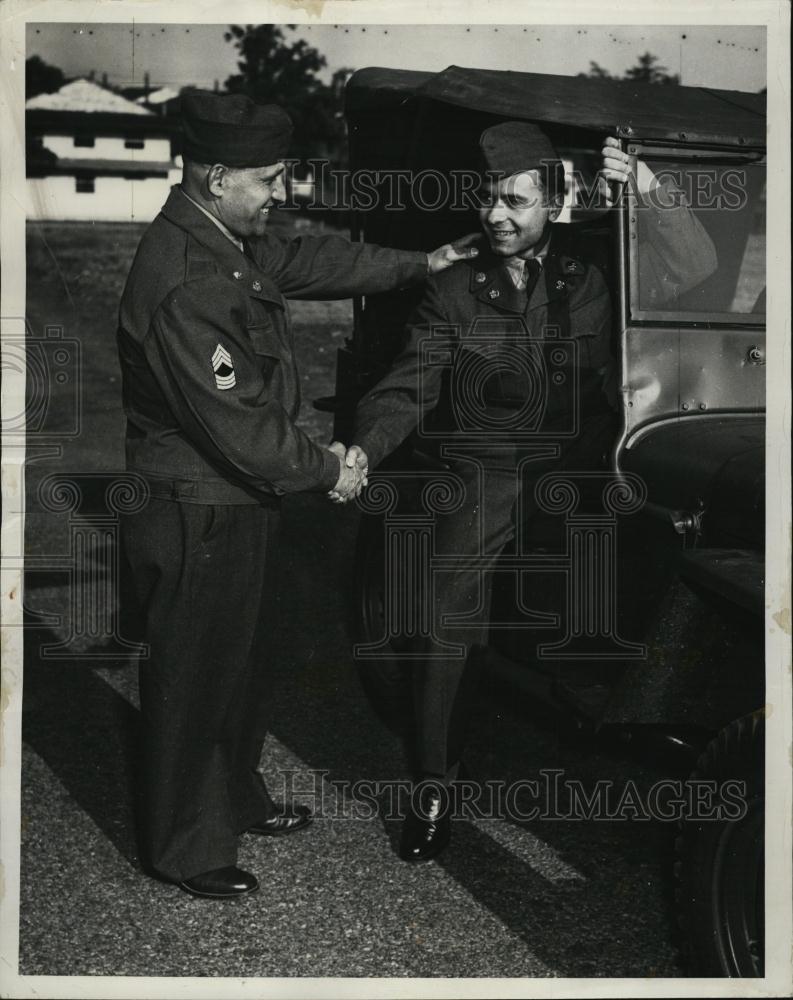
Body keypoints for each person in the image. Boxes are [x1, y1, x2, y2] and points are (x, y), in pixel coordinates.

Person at [117, 92, 478, 898]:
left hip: (234, 500)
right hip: (196, 503)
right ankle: (183, 847)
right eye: (268, 178)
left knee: (240, 663)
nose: (279, 191)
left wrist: (422, 264)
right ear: (217, 176)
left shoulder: (221, 238)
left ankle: (233, 799)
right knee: (193, 673)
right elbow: (236, 423)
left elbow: (316, 260)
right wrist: (332, 469)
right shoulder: (187, 278)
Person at [344, 123, 717, 863]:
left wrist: (644, 185)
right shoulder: (453, 291)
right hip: (482, 470)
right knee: (446, 624)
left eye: (513, 201)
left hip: (571, 472)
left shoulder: (592, 276)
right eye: (487, 200)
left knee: (640, 566)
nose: (494, 216)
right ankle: (431, 785)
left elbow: (697, 265)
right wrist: (359, 450)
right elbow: (405, 390)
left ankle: (592, 703)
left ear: (554, 202)